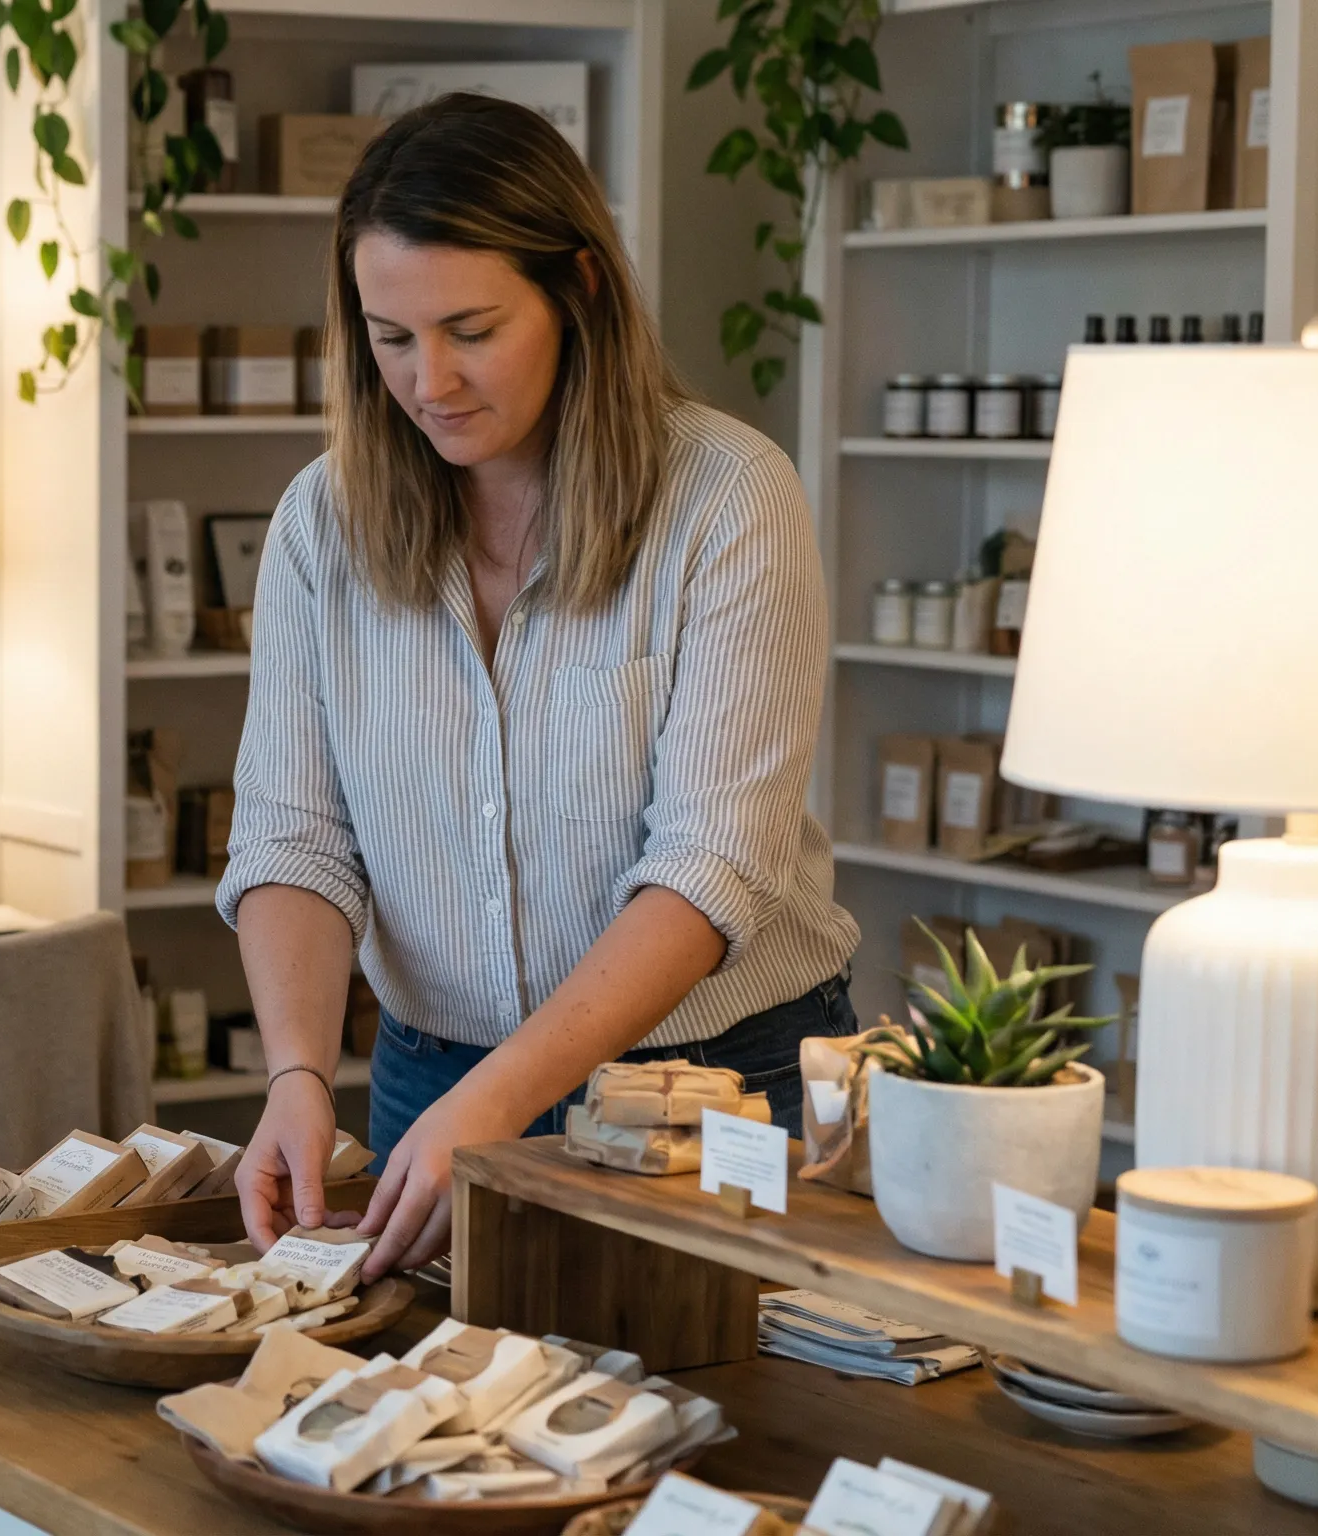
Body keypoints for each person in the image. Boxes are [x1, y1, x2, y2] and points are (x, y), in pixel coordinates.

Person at [222, 95, 860, 1278]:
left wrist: (509, 1094)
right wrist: (298, 1074)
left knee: (729, 1431)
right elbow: (293, 837)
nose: (430, 381)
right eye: (391, 336)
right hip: (431, 1075)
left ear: (580, 290)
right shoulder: (324, 523)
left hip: (716, 1083)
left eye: (472, 328)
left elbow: (709, 866)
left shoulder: (725, 499)